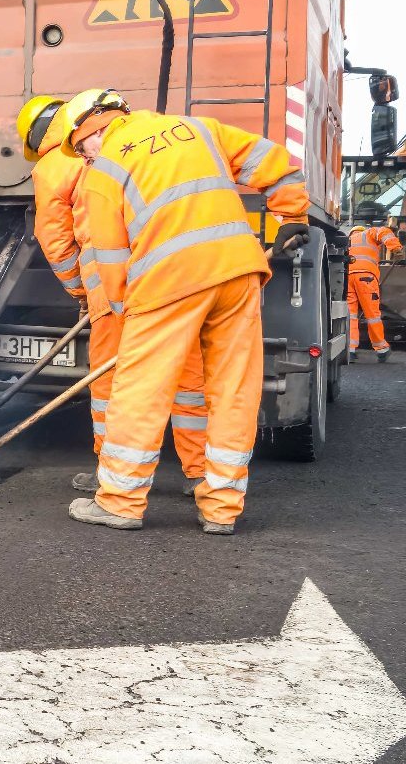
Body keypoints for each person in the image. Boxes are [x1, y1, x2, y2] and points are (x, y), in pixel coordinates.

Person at [63, 89, 308, 535]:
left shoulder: (103, 173)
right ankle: (221, 511)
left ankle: (120, 502)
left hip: (167, 282)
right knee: (234, 390)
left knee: (141, 389)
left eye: (81, 148)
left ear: (94, 127)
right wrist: (291, 215)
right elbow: (275, 162)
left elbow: (111, 258)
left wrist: (121, 313)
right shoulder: (199, 128)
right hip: (237, 273)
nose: (84, 158)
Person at [17, 93, 208, 496]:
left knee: (112, 380)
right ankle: (201, 473)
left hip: (108, 278)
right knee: (186, 371)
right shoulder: (130, 140)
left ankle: (113, 475)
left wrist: (78, 290)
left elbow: (54, 238)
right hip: (164, 265)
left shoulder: (54, 165)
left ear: (36, 139)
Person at [346, 221, 402, 361]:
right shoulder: (368, 233)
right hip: (366, 278)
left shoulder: (347, 241)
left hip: (347, 278)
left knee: (351, 315)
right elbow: (383, 231)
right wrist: (396, 248)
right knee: (372, 315)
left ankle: (350, 349)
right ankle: (381, 349)